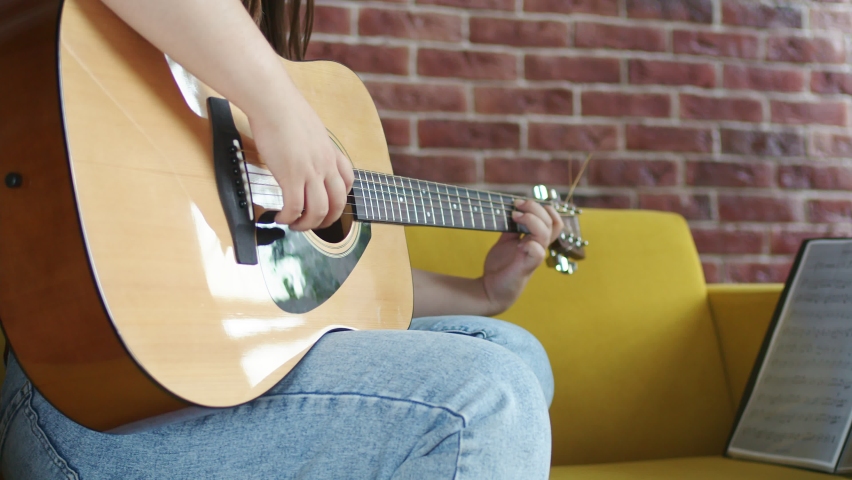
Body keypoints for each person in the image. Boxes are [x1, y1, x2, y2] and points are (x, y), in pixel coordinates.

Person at [0, 0, 563, 478]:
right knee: (491, 395)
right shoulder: (250, 85)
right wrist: (279, 105)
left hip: (199, 374)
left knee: (516, 353)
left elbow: (328, 293)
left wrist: (482, 293)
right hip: (93, 400)